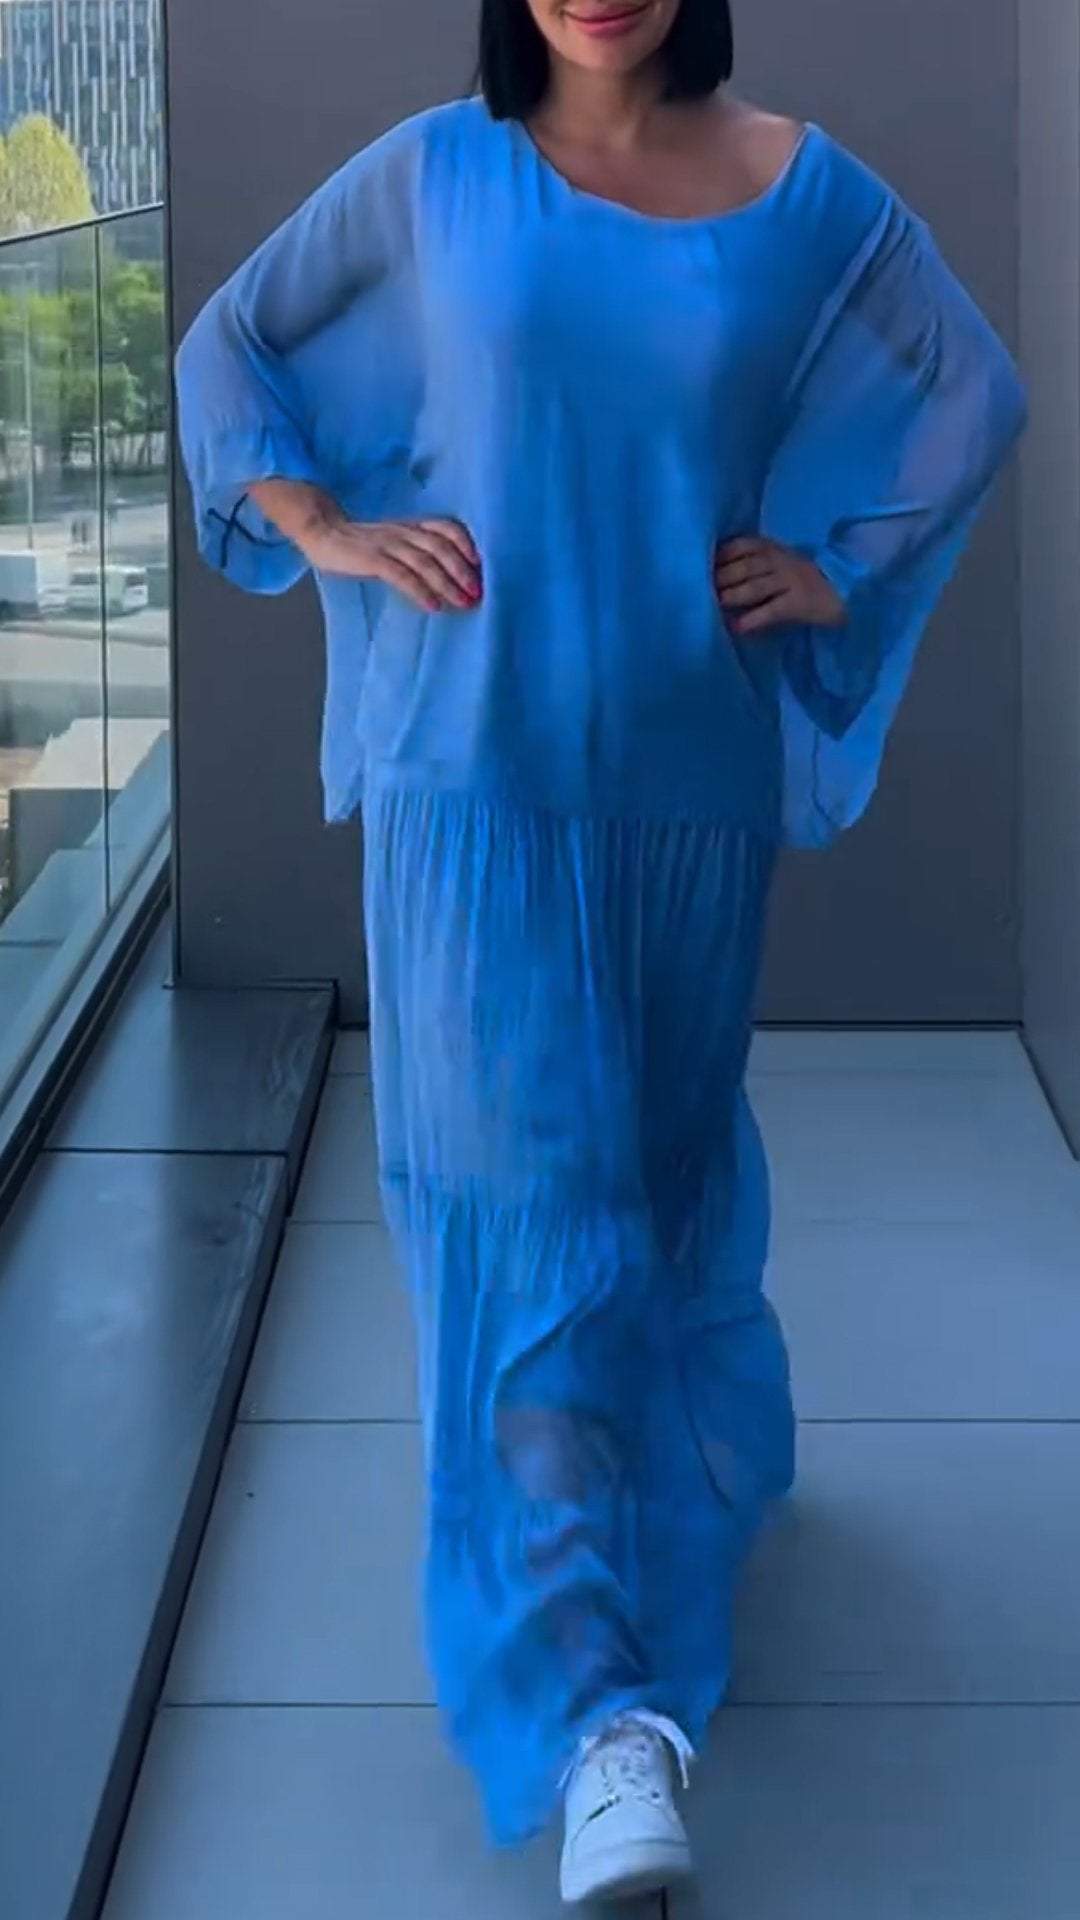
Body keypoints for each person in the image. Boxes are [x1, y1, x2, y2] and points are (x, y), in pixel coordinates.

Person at [174, 0, 1026, 1905]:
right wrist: (326, 527)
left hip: (683, 786)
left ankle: (681, 1477)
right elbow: (230, 345)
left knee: (651, 1170)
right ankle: (596, 1722)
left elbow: (971, 393)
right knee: (522, 1213)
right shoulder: (434, 176)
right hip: (468, 784)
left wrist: (837, 568)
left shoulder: (803, 196)